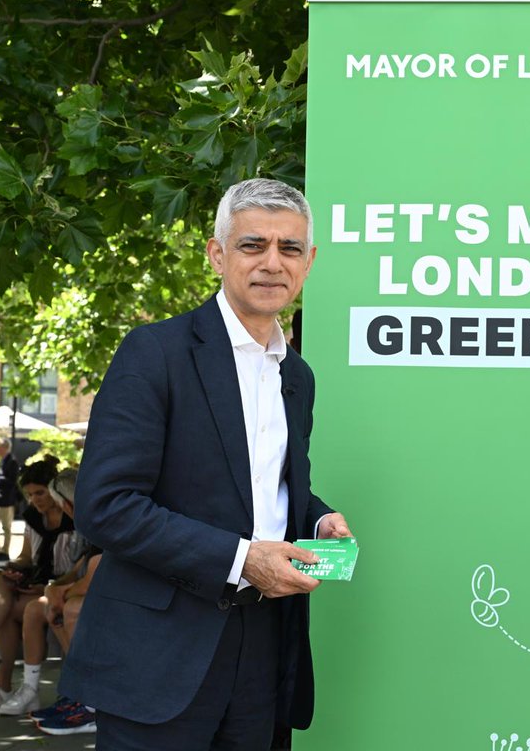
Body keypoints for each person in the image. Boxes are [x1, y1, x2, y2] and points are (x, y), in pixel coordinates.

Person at [61, 178, 352, 749]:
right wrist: (243, 559)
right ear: (217, 254)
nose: (273, 263)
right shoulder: (155, 353)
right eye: (253, 245)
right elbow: (105, 507)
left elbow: (268, 488)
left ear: (309, 262)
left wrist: (316, 519)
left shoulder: (298, 376)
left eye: (289, 249)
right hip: (160, 656)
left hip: (265, 651)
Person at [0, 458, 74, 708]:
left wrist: (47, 586)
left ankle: (3, 685)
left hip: (61, 586)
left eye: (40, 493)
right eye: (30, 494)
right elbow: (26, 556)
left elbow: (79, 567)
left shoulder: (72, 517)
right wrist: (14, 568)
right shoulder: (33, 516)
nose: (35, 499)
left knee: (9, 610)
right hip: (38, 581)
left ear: (53, 489)